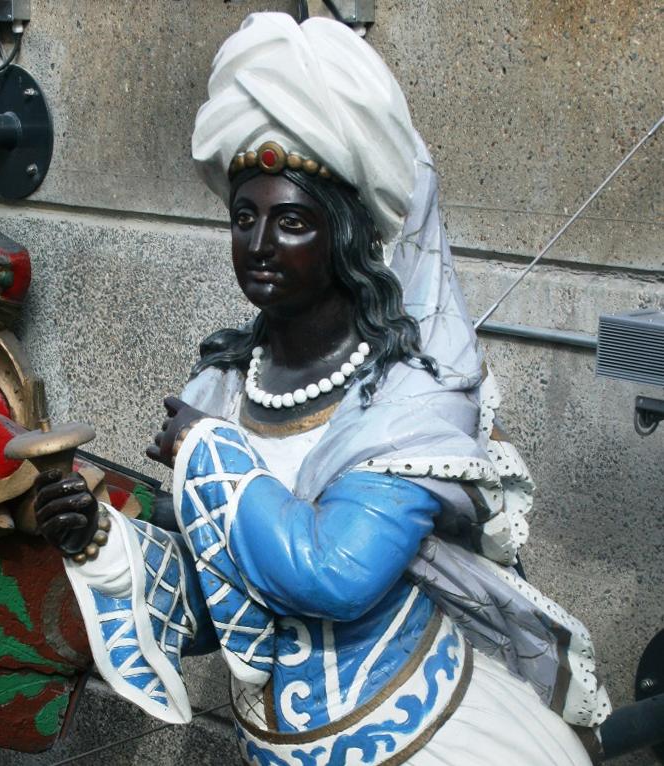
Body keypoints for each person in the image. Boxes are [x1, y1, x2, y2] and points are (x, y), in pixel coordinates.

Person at [34, 12, 609, 765]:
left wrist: (205, 452)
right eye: (245, 218)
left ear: (345, 237)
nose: (261, 246)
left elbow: (335, 575)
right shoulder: (224, 386)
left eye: (293, 222)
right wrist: (104, 539)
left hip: (426, 740)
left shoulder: (410, 397)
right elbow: (223, 598)